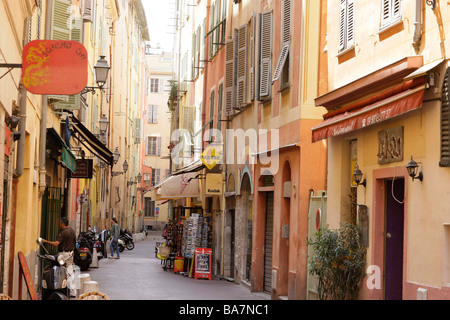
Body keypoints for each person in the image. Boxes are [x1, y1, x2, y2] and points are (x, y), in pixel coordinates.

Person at [41, 217, 77, 297]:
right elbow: (75, 242)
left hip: (63, 254)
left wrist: (45, 241)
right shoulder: (72, 231)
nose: (58, 225)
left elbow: (56, 243)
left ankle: (60, 287)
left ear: (62, 224)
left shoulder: (63, 232)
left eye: (59, 223)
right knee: (70, 271)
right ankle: (72, 291)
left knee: (61, 271)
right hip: (70, 253)